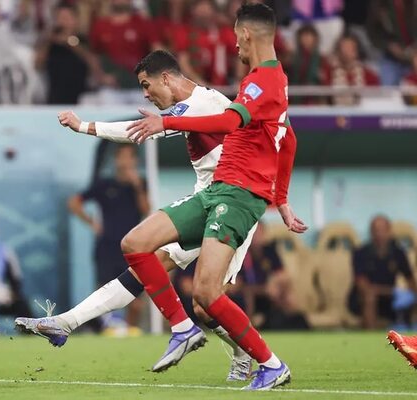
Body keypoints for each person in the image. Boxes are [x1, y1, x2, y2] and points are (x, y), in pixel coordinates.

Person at [16, 49, 258, 382]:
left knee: (205, 304)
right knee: (147, 262)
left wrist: (83, 125)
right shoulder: (194, 105)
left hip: (232, 208)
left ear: (166, 78)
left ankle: (253, 356)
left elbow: (138, 130)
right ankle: (67, 323)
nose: (145, 93)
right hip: (207, 202)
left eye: (146, 85)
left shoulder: (202, 105)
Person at [124, 3, 306, 390]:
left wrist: (166, 120)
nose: (233, 45)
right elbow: (288, 139)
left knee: (206, 292)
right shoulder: (265, 79)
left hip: (240, 194)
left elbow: (229, 121)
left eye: (235, 37)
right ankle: (182, 330)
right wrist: (284, 201)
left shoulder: (264, 82)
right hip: (218, 188)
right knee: (135, 244)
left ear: (245, 35)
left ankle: (271, 364)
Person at [67, 144, 149, 334]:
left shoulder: (140, 184)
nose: (126, 161)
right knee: (103, 291)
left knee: (135, 298)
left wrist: (136, 186)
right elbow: (74, 202)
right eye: (122, 157)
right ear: (116, 160)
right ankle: (105, 330)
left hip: (133, 247)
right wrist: (91, 222)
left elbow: (146, 210)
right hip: (107, 246)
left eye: (130, 157)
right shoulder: (104, 185)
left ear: (135, 161)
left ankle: (130, 331)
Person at [230, 222, 308, 330]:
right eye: (255, 233)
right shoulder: (241, 251)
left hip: (268, 291)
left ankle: (294, 321)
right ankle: (248, 328)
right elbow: (236, 281)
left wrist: (274, 281)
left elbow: (281, 273)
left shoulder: (269, 250)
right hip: (247, 291)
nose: (257, 236)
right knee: (246, 294)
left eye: (260, 233)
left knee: (285, 290)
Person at [349, 215, 417, 330]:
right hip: (362, 298)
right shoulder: (360, 253)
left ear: (389, 231)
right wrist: (391, 291)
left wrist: (409, 293)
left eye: (383, 230)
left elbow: (410, 279)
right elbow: (363, 285)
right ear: (371, 232)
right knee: (370, 297)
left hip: (390, 297)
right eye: (376, 230)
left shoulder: (398, 253)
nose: (379, 234)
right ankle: (370, 338)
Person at [89, 0, 161, 92]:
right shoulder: (100, 25)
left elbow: (158, 51)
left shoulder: (143, 23)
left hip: (138, 86)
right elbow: (93, 56)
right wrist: (101, 76)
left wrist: (151, 75)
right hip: (111, 86)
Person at [173, 0, 237, 87]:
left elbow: (238, 56)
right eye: (200, 6)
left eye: (207, 6)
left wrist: (239, 79)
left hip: (224, 86)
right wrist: (199, 83)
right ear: (192, 10)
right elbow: (183, 62)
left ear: (213, 10)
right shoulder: (184, 31)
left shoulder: (224, 31)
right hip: (195, 86)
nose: (204, 10)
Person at [329, 33, 380, 106]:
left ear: (356, 51)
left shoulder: (369, 76)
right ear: (338, 51)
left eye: (350, 48)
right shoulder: (329, 71)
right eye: (344, 48)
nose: (346, 52)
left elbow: (375, 102)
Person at [287, 24, 330, 104]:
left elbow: (326, 81)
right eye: (304, 36)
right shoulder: (292, 59)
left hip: (315, 101)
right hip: (294, 100)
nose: (306, 39)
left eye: (309, 36)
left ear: (315, 39)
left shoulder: (321, 60)